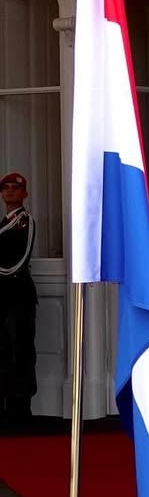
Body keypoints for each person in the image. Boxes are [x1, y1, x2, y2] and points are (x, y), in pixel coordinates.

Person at [0, 172, 37, 427]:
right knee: (3, 350)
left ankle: (21, 407)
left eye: (15, 188)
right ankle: (7, 403)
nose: (10, 192)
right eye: (6, 188)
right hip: (2, 295)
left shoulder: (25, 221)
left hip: (18, 294)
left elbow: (21, 260)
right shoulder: (4, 222)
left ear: (24, 193)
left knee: (20, 350)